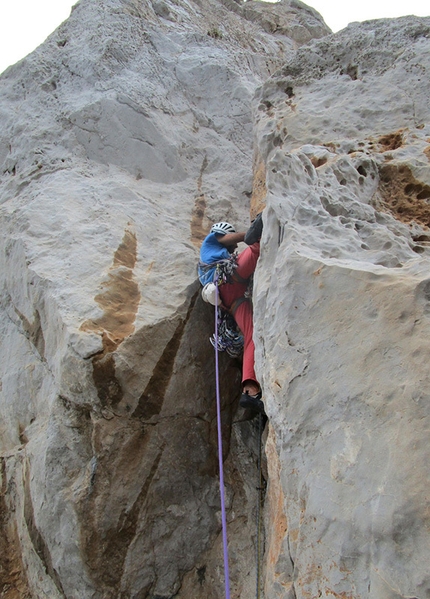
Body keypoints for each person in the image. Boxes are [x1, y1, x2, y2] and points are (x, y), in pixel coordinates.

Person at [198, 214, 265, 414]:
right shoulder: (210, 244)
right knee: (257, 248)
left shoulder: (213, 257)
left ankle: (250, 390)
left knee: (251, 336)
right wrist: (248, 235)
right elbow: (226, 240)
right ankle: (259, 233)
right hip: (228, 278)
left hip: (232, 300)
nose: (234, 249)